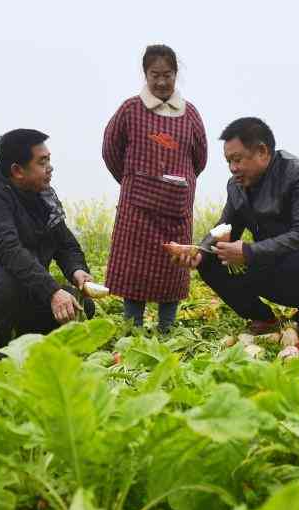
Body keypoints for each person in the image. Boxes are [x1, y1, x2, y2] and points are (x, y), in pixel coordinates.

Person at [173, 117, 299, 343]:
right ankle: (263, 319)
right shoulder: (236, 186)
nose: (233, 168)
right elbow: (225, 228)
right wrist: (200, 251)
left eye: (237, 160)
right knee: (210, 261)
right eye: (228, 162)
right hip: (271, 262)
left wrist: (249, 252)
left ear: (262, 152)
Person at [0, 129, 95, 347]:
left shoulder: (44, 196)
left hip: (21, 284)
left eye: (49, 160)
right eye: (42, 162)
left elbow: (65, 244)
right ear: (17, 170)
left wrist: (76, 270)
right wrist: (52, 291)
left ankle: (31, 345)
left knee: (80, 306)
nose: (50, 168)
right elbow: (9, 251)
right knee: (4, 281)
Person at [102, 44, 208, 333]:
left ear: (176, 75)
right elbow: (111, 150)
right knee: (133, 270)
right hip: (137, 209)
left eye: (168, 75)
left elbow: (200, 158)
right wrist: (134, 181)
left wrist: (177, 183)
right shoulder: (130, 110)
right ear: (145, 74)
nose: (162, 82)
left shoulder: (190, 115)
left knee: (172, 270)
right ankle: (132, 330)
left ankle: (167, 330)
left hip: (176, 208)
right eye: (155, 75)